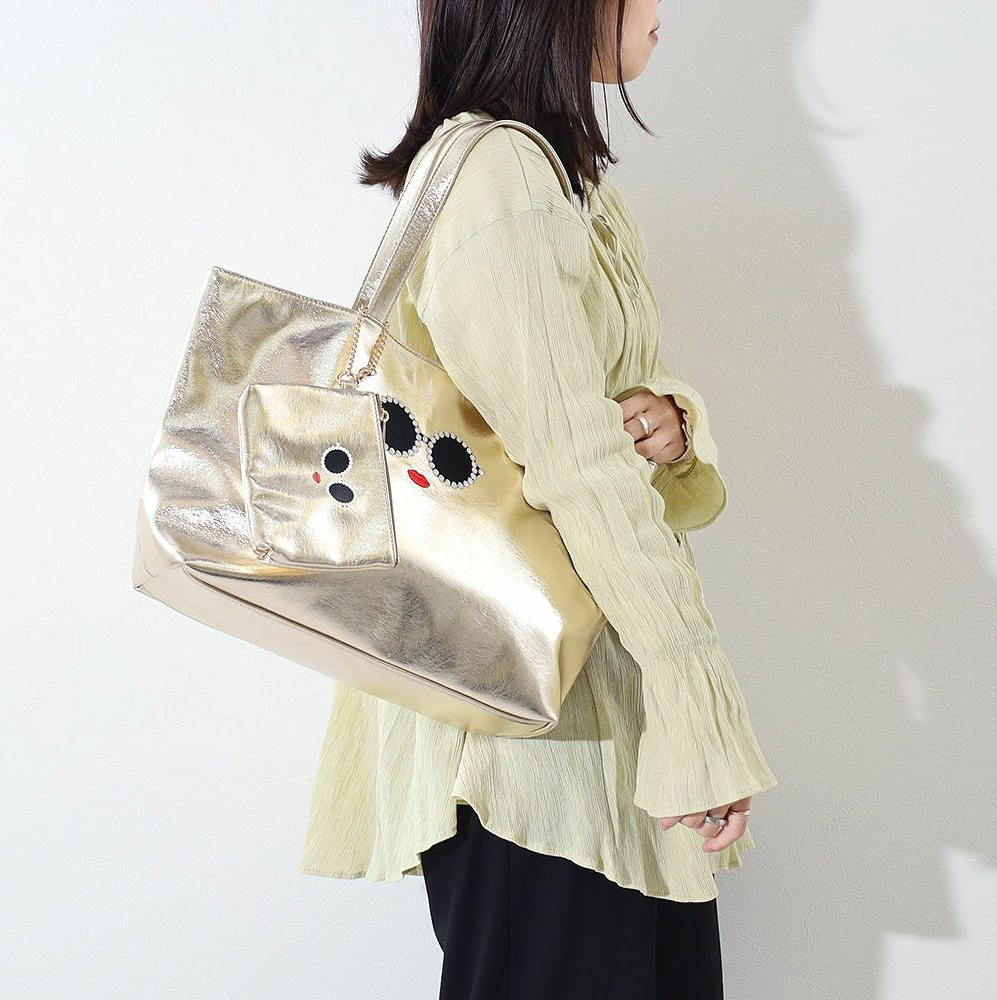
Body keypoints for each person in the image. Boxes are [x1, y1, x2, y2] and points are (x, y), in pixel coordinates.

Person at [298, 1, 779, 996]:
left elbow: (570, 427)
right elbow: (576, 469)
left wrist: (668, 417)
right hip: (533, 755)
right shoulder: (501, 177)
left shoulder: (564, 183)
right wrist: (696, 705)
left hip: (582, 731)